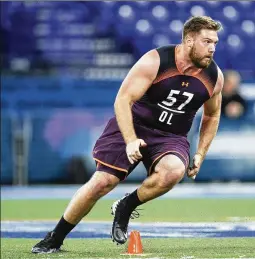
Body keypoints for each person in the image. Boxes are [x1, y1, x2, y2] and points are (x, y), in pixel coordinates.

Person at [31, 16, 224, 253]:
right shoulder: (156, 61)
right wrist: (131, 139)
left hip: (170, 136)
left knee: (174, 171)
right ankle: (55, 237)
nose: (213, 48)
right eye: (207, 41)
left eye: (215, 42)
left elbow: (212, 116)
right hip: (133, 124)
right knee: (103, 182)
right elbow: (123, 100)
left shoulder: (214, 76)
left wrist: (201, 153)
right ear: (189, 40)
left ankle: (125, 206)